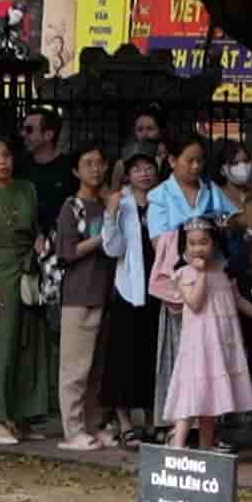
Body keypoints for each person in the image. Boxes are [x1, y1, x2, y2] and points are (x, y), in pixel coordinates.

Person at [149, 136, 240, 441]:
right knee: (180, 355)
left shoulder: (211, 190)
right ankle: (174, 424)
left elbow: (232, 219)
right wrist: (191, 253)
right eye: (189, 159)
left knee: (210, 355)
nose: (196, 165)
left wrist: (217, 231)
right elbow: (157, 241)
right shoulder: (160, 195)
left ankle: (207, 425)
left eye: (200, 160)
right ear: (172, 160)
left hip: (212, 276)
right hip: (180, 277)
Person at [0, 136, 55, 445]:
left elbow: (37, 228)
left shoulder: (27, 189)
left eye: (6, 155)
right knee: (3, 343)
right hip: (2, 268)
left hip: (28, 265)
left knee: (30, 341)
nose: (3, 162)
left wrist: (39, 243)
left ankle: (24, 415)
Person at [162, 217, 252, 449]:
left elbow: (238, 301)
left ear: (214, 243)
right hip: (198, 344)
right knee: (191, 393)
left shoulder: (225, 273)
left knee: (210, 401)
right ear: (185, 247)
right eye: (192, 243)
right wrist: (201, 274)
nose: (198, 248)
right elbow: (195, 303)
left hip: (221, 343)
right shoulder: (186, 274)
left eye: (204, 242)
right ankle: (177, 447)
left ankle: (205, 450)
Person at [56, 146, 123, 450]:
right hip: (79, 294)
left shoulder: (109, 203)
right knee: (75, 368)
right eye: (88, 164)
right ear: (75, 171)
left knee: (97, 367)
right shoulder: (72, 207)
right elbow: (67, 251)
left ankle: (92, 425)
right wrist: (101, 238)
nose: (95, 169)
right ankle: (72, 429)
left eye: (100, 163)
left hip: (105, 292)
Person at [214, 140, 252, 451]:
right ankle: (230, 411)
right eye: (236, 162)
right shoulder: (217, 197)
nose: (243, 167)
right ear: (224, 168)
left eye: (246, 160)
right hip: (232, 276)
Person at [103, 150, 163, 448]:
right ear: (127, 175)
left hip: (158, 291)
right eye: (137, 169)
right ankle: (126, 424)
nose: (144, 173)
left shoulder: (163, 201)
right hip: (129, 291)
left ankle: (154, 422)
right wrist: (111, 215)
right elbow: (112, 249)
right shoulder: (122, 203)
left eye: (149, 167)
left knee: (153, 357)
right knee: (124, 360)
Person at [20, 108, 74, 233]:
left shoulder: (69, 169)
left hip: (61, 243)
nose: (23, 134)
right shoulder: (19, 168)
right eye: (23, 129)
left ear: (48, 135)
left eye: (29, 130)